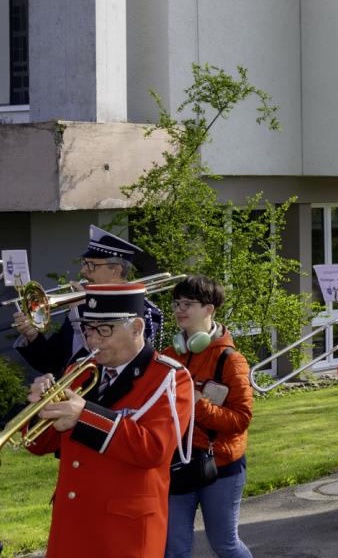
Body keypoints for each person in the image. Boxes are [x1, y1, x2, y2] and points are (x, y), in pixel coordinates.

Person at [23, 283, 194, 558]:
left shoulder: (170, 378)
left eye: (104, 330)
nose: (93, 341)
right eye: (89, 330)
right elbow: (39, 444)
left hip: (124, 534)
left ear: (137, 328)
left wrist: (83, 416)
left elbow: (154, 450)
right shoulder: (78, 371)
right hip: (72, 525)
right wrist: (40, 409)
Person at [162, 275, 254, 558]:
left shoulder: (231, 360)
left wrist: (197, 404)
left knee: (224, 545)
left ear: (209, 309)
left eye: (187, 304)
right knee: (173, 549)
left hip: (221, 467)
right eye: (176, 303)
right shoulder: (168, 356)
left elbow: (241, 419)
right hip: (178, 463)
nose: (179, 310)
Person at [14, 225, 165, 376]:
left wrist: (83, 317)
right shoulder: (81, 306)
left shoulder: (145, 311)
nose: (83, 271)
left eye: (91, 265)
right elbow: (51, 363)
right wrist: (32, 335)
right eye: (84, 264)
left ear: (115, 270)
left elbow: (127, 362)